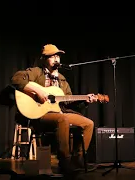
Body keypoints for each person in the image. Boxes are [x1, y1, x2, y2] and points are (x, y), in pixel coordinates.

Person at [11, 44, 95, 174]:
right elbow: (16, 79)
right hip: (40, 115)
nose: (57, 59)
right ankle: (65, 161)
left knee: (89, 124)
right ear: (44, 59)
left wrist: (85, 101)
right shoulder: (36, 72)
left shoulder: (62, 79)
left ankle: (77, 160)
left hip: (60, 113)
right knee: (63, 119)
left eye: (58, 56)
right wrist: (38, 90)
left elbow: (69, 102)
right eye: (53, 56)